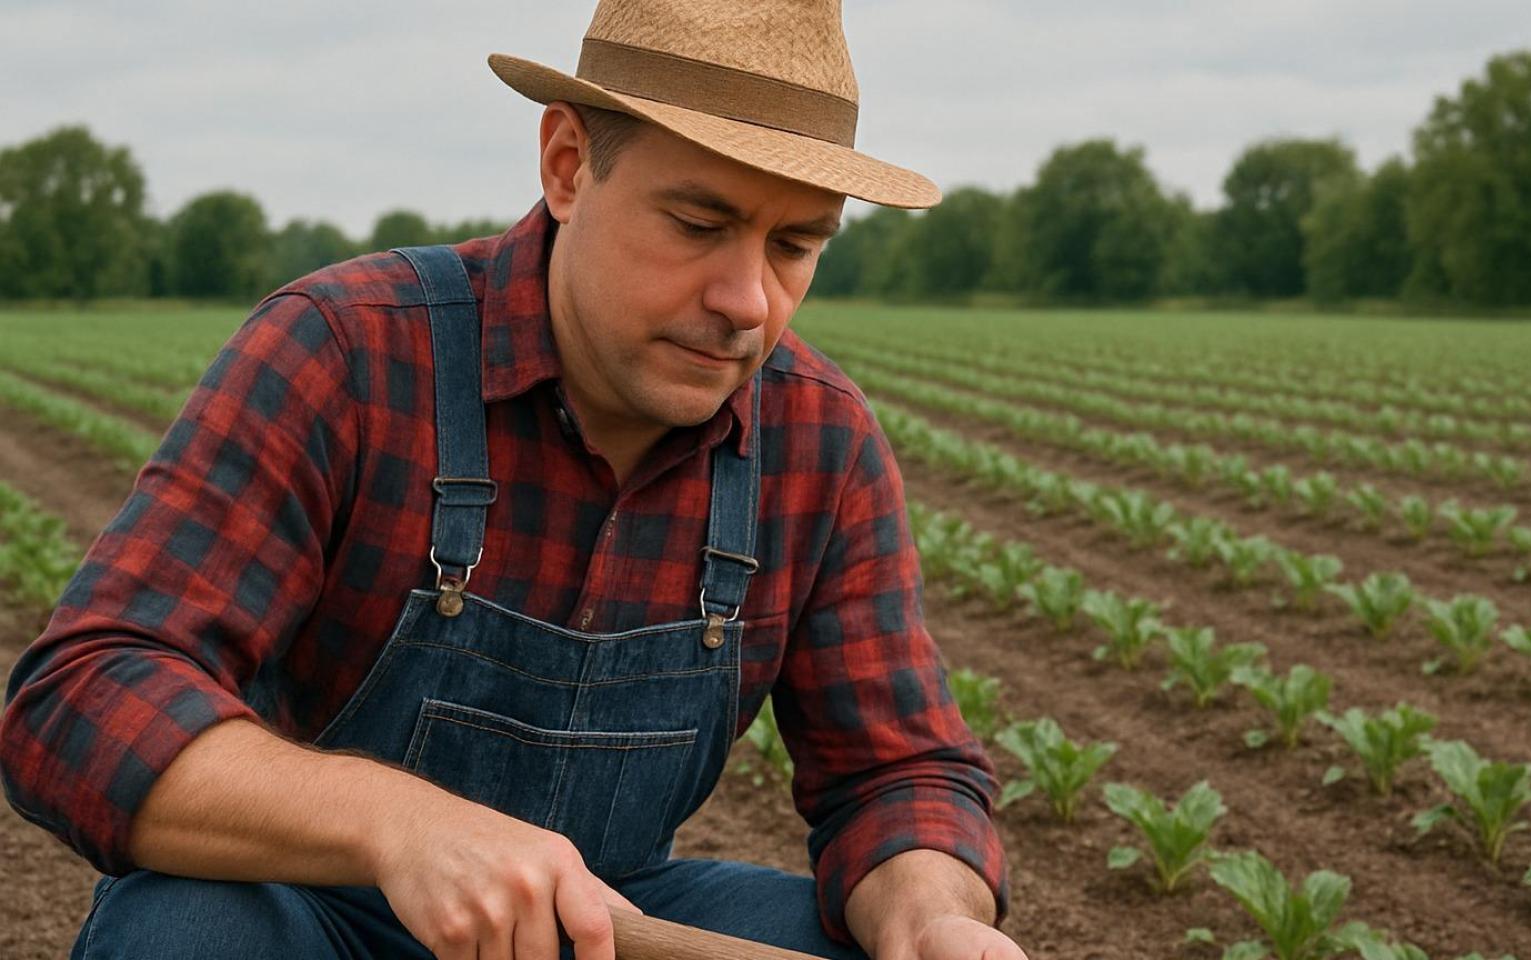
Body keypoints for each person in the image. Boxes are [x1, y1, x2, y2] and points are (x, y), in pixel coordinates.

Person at [0, 1, 1026, 958]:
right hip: (316, 907)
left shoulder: (818, 439)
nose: (747, 300)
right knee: (188, 928)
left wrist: (933, 917)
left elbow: (899, 772)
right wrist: (399, 826)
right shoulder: (348, 353)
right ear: (568, 165)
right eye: (698, 224)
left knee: (854, 940)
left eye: (796, 245)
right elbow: (84, 696)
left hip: (604, 919)